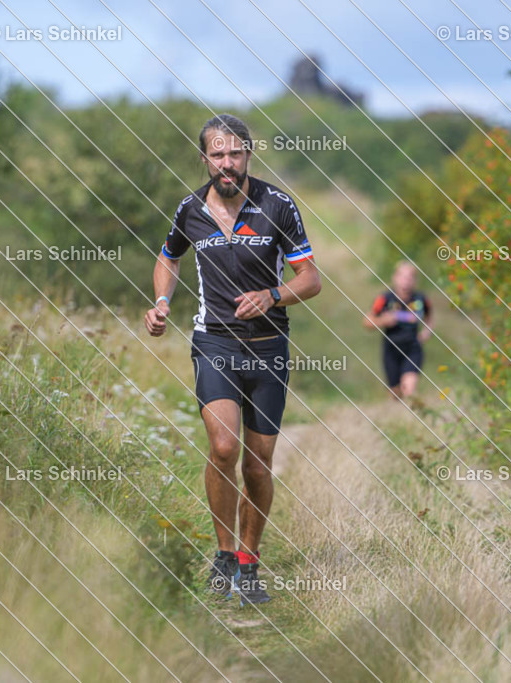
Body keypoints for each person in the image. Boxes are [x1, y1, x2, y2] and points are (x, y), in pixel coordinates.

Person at [144, 114, 321, 606]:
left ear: (248, 154)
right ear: (204, 159)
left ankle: (249, 562)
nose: (227, 163)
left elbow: (310, 279)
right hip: (214, 341)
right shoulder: (189, 209)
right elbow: (168, 257)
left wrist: (273, 295)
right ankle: (223, 555)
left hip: (267, 346)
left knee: (258, 467)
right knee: (224, 447)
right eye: (217, 154)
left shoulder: (277, 205)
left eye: (235, 153)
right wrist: (161, 302)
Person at [364, 261, 432, 400]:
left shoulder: (420, 299)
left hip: (413, 347)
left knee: (409, 388)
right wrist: (383, 321)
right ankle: (398, 418)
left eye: (409, 278)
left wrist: (426, 332)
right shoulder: (385, 299)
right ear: (395, 278)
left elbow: (429, 316)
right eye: (402, 277)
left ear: (415, 281)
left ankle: (412, 417)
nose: (405, 282)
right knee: (395, 392)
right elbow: (367, 321)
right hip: (391, 348)